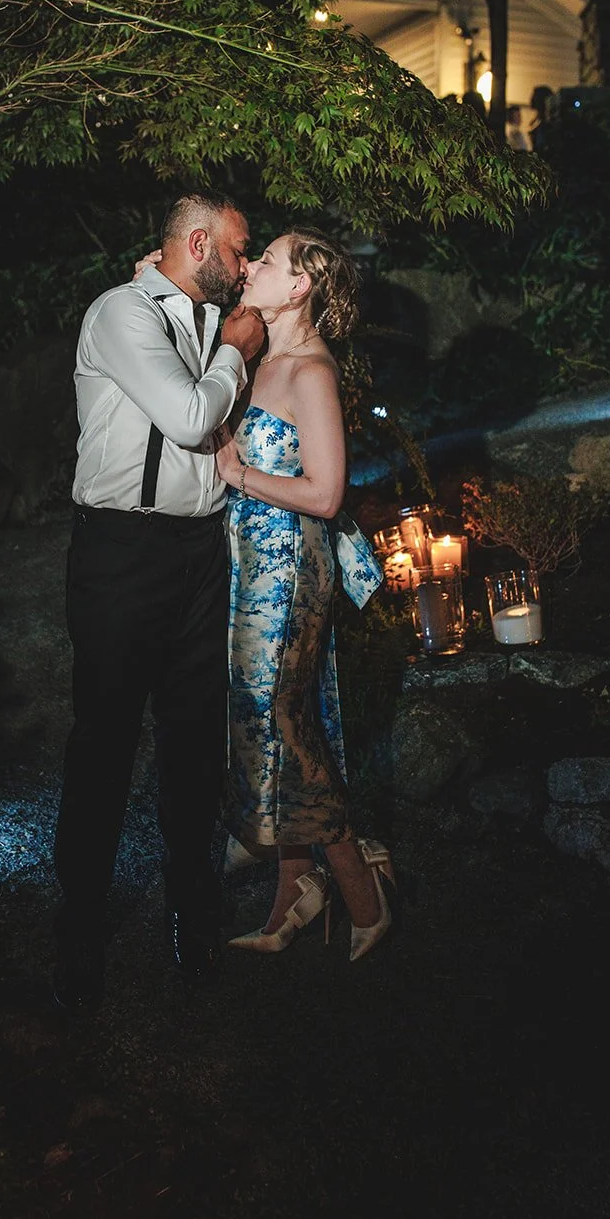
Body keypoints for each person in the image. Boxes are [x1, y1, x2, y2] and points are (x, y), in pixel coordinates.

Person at [54, 189, 265, 1011]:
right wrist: (237, 352)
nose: (245, 267)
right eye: (240, 251)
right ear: (202, 243)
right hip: (119, 554)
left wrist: (235, 337)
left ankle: (193, 907)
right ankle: (78, 926)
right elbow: (186, 416)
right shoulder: (120, 311)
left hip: (197, 551)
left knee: (192, 742)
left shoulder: (214, 315)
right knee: (104, 739)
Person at [213, 229, 394, 961]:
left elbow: (324, 494)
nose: (250, 267)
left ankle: (360, 885)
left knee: (281, 718)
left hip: (287, 571)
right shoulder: (260, 357)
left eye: (267, 261)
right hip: (242, 562)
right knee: (260, 713)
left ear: (297, 289)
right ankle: (292, 886)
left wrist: (235, 472)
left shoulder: (311, 373)